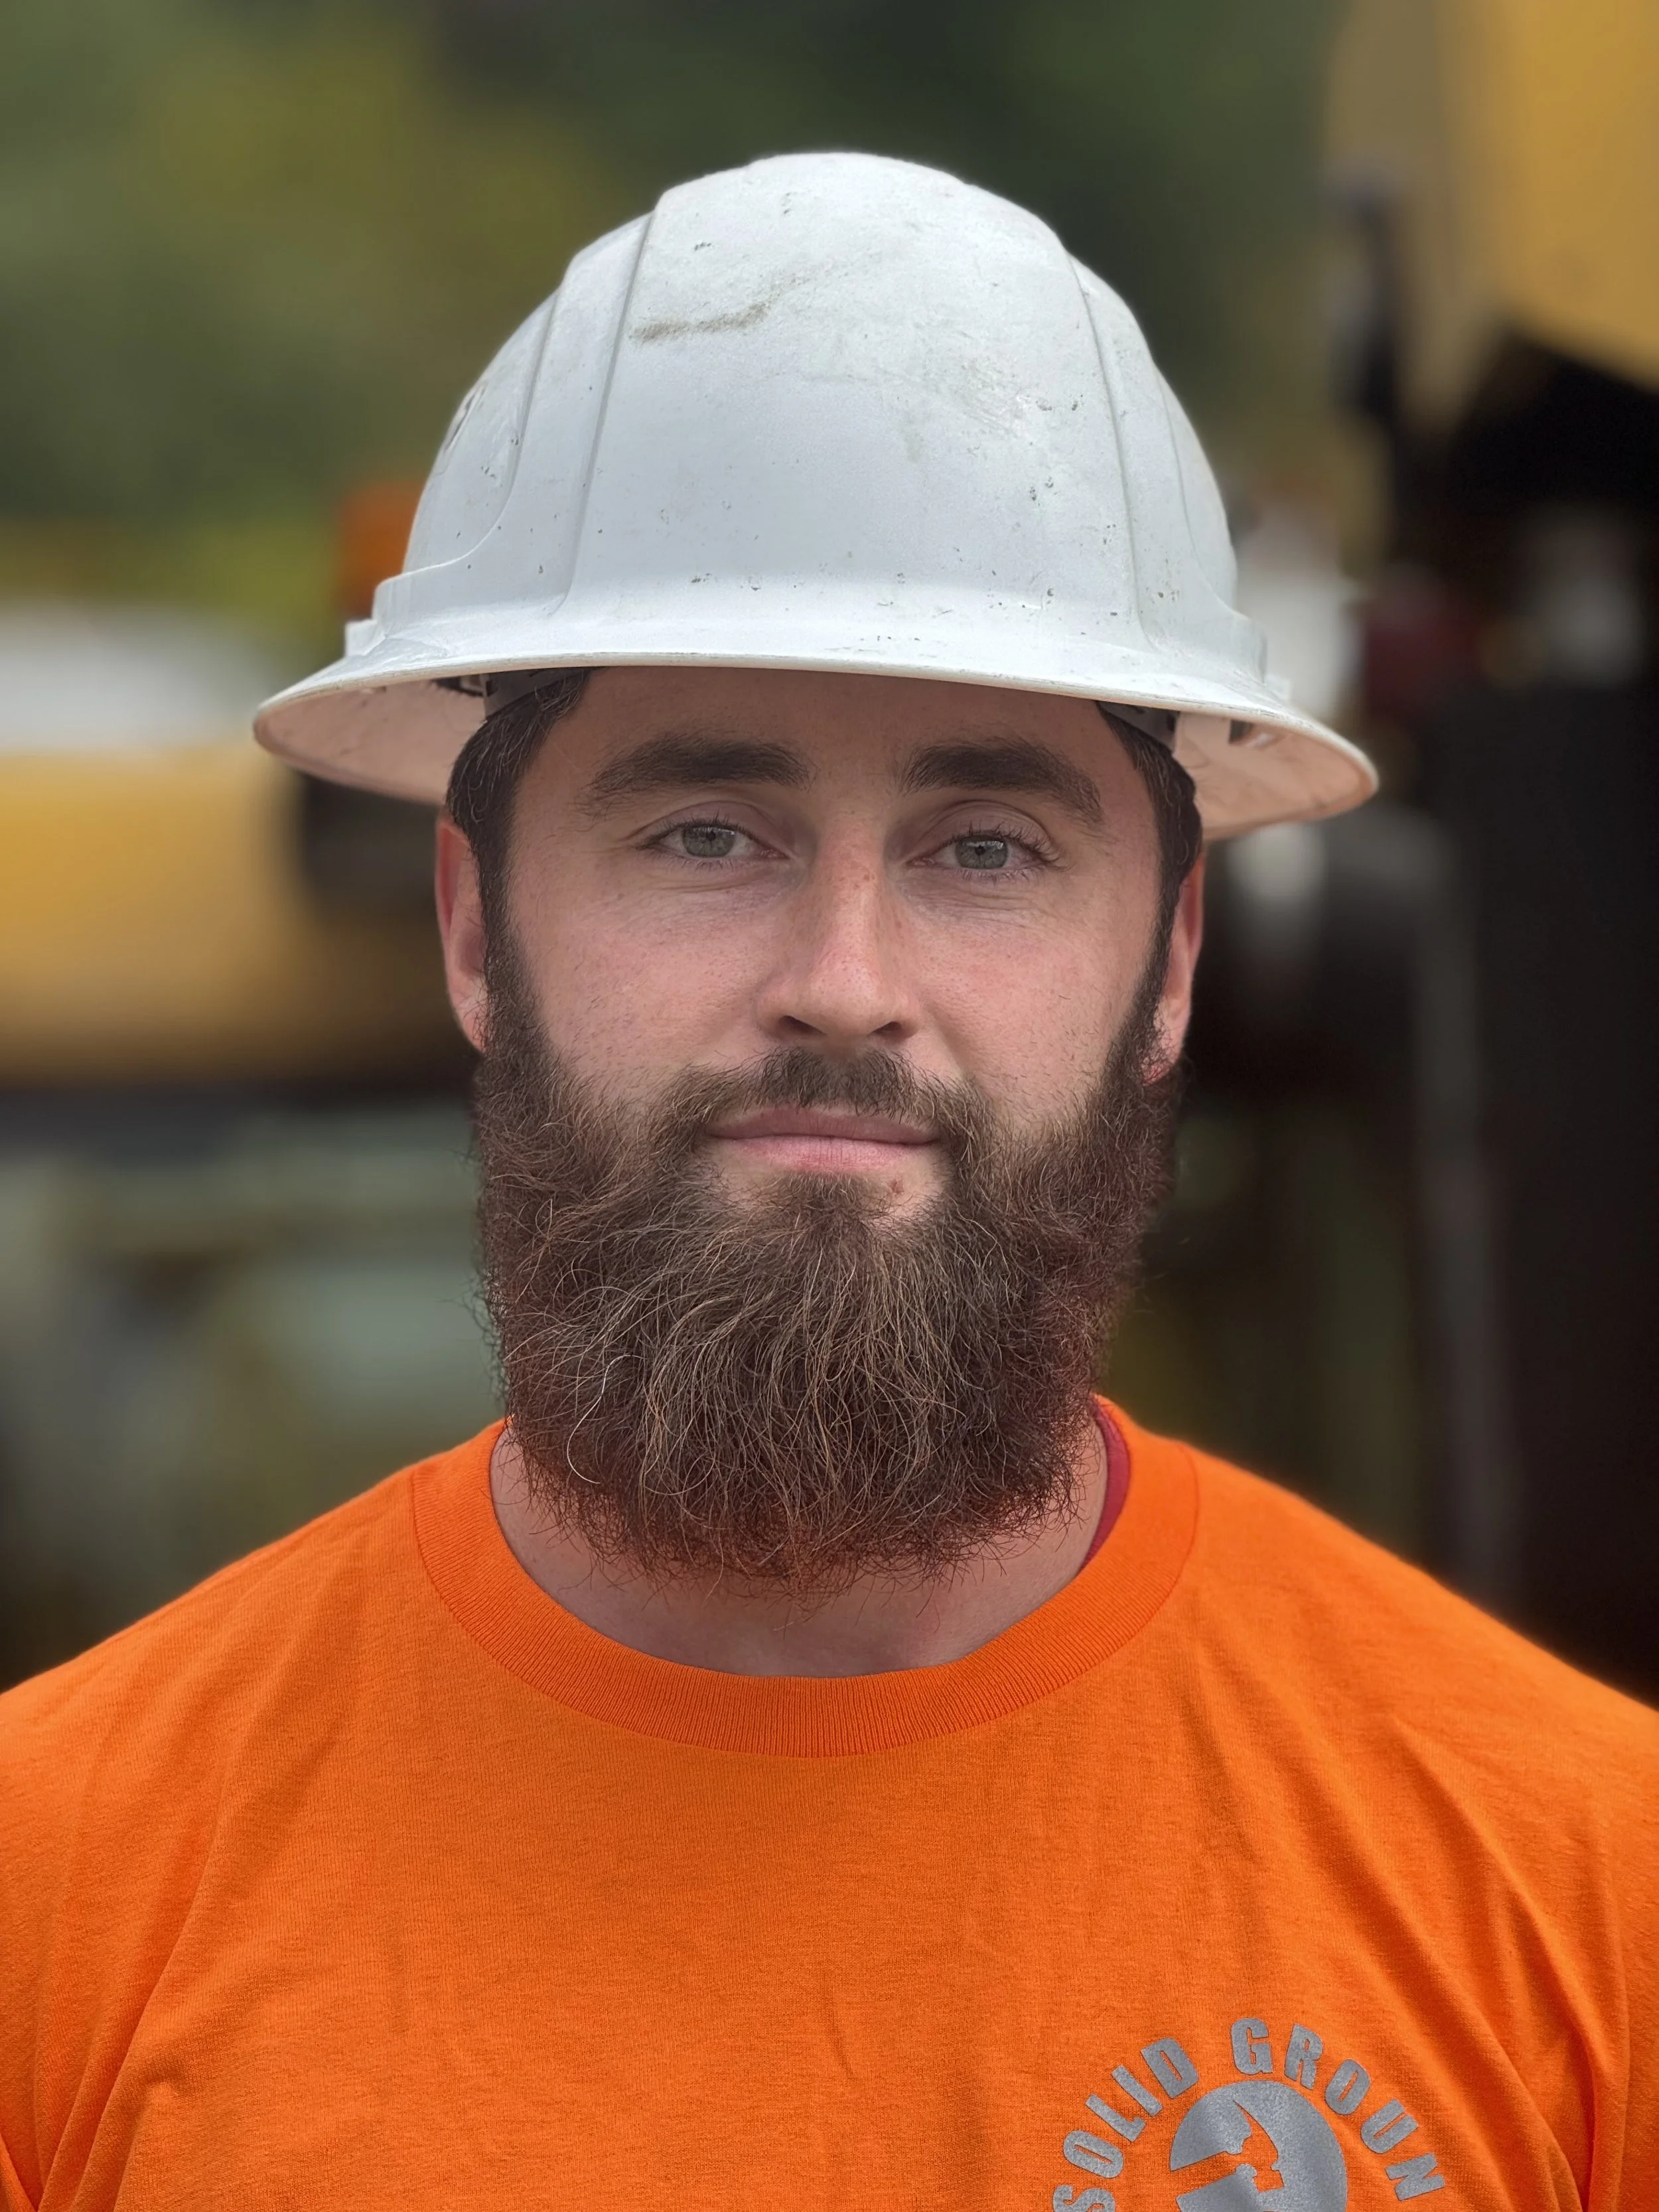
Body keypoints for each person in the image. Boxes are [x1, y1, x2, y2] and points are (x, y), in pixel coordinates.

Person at [1, 154, 1654, 2212]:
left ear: (1172, 964)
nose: (845, 986)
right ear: (468, 922)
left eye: (985, 846)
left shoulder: (1583, 1897)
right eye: (705, 832)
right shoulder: (51, 1905)